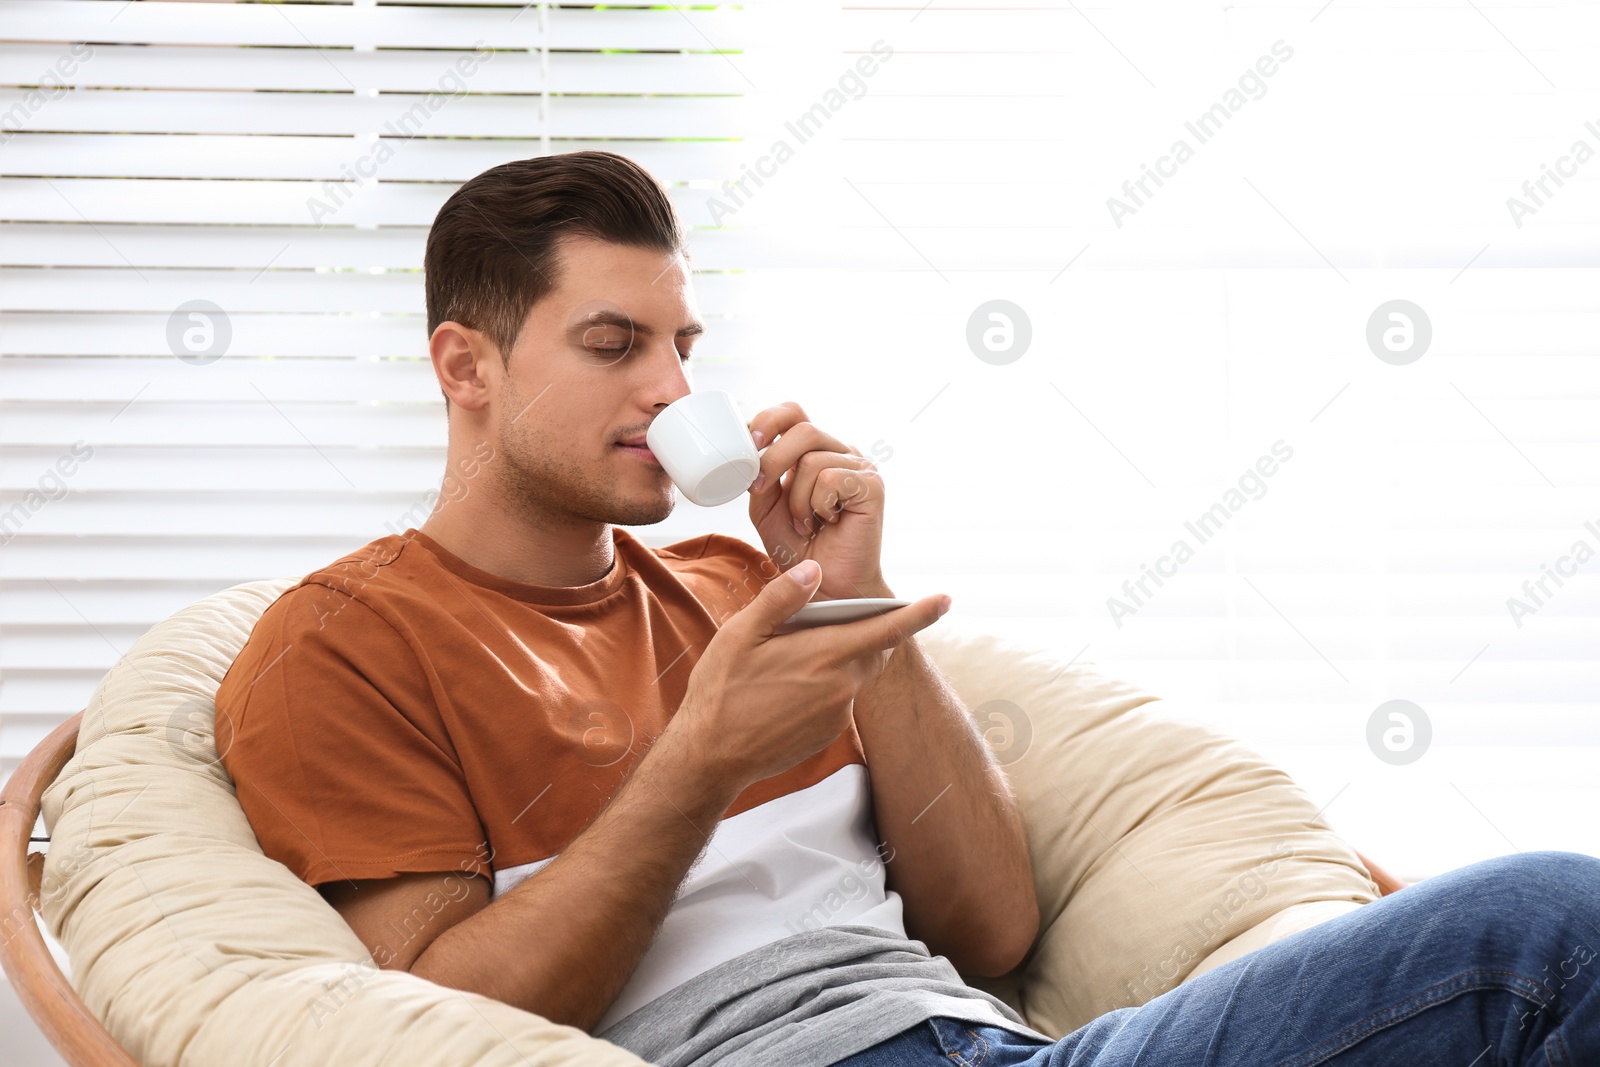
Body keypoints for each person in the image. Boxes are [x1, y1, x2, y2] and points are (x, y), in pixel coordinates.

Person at [216, 151, 1600, 1067]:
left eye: (683, 346)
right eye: (612, 345)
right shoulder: (346, 645)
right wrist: (699, 762)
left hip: (977, 1040)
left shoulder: (732, 591)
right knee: (1545, 932)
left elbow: (990, 933)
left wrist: (856, 598)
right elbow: (450, 1023)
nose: (668, 392)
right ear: (466, 365)